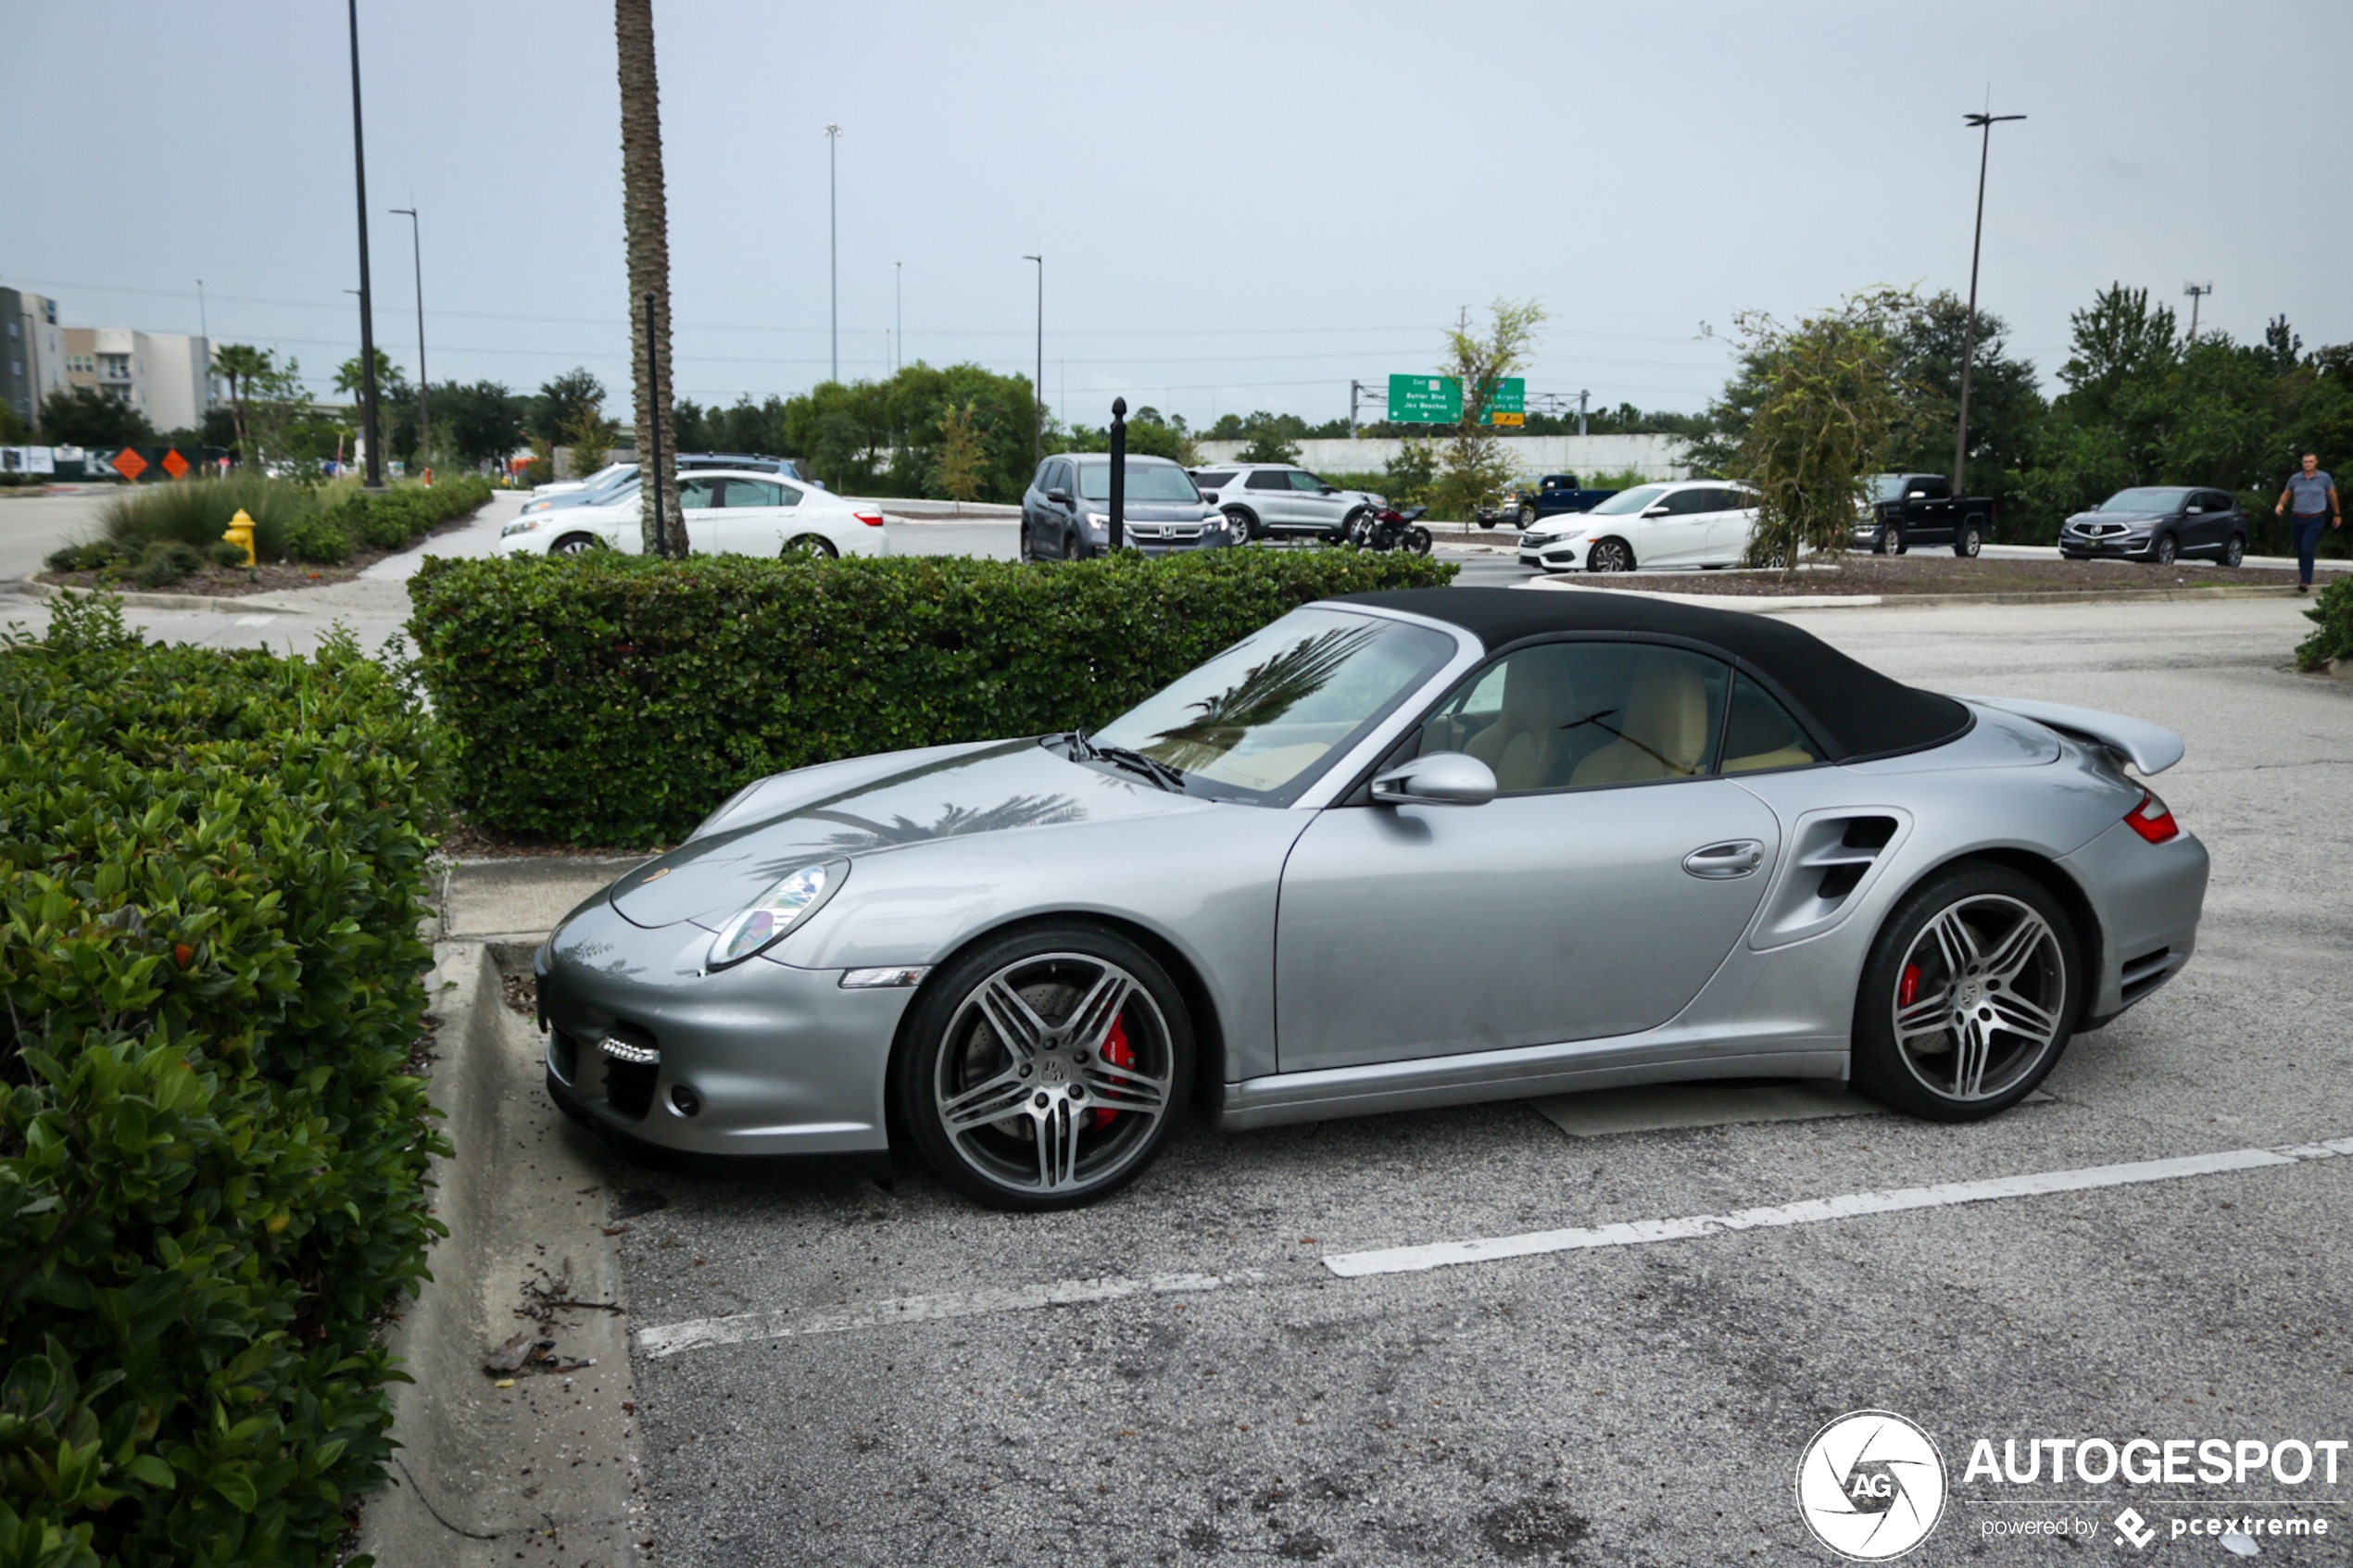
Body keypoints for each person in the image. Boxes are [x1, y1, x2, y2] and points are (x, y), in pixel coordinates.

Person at [2274, 453, 2342, 593]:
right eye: (2305, 462)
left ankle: (2305, 581)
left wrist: (2337, 514)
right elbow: (2287, 493)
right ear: (2302, 463)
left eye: (2311, 461)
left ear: (2316, 462)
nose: (2308, 464)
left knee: (2307, 547)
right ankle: (2303, 577)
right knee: (2300, 549)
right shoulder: (2295, 479)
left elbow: (2332, 496)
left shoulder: (2324, 478)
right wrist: (2280, 505)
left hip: (2315, 518)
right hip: (2297, 518)